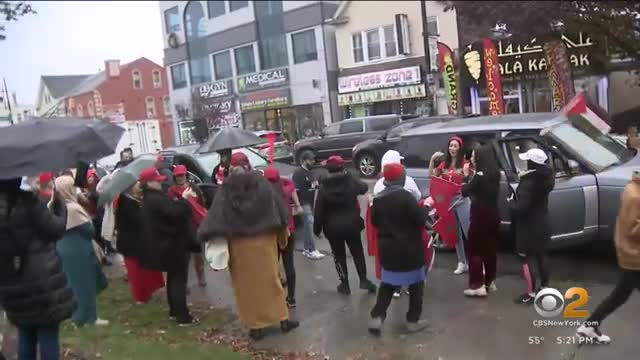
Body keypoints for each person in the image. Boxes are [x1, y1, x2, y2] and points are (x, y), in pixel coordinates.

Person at [198, 152, 299, 341]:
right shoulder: (262, 184)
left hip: (239, 245)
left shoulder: (226, 191)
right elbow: (278, 210)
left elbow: (216, 218)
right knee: (272, 282)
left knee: (246, 288)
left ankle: (256, 327)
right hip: (264, 242)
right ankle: (283, 320)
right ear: (248, 165)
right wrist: (283, 236)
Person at [0, 178, 76, 360]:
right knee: (47, 332)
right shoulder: (29, 202)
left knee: (25, 331)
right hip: (41, 278)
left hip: (9, 279)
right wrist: (60, 206)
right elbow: (55, 229)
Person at [576, 170, 640, 344]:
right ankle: (589, 326)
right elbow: (633, 229)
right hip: (635, 256)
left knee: (620, 294)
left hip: (631, 254)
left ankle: (589, 326)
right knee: (621, 294)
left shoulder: (634, 188)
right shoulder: (635, 196)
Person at [369, 163, 429, 335]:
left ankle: (376, 317)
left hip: (388, 249)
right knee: (417, 285)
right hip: (409, 249)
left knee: (388, 284)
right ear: (401, 178)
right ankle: (412, 320)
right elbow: (420, 219)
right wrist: (426, 206)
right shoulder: (406, 197)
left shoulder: (378, 198)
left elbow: (374, 222)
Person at [138, 167, 200, 326]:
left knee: (173, 279)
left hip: (166, 245)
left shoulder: (150, 198)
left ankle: (174, 311)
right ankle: (183, 317)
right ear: (149, 183)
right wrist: (184, 200)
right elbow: (174, 213)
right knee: (178, 281)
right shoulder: (155, 199)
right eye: (157, 181)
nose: (160, 184)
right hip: (173, 245)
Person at [314, 155, 377, 295]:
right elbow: (364, 187)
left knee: (338, 256)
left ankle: (344, 284)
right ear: (343, 168)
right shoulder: (350, 182)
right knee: (357, 252)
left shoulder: (323, 188)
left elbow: (319, 211)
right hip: (352, 225)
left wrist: (316, 229)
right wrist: (349, 176)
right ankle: (363, 280)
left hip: (333, 228)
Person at [53, 175, 108, 327]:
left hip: (67, 249)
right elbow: (89, 230)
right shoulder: (71, 208)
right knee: (83, 285)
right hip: (77, 251)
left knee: (75, 285)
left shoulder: (58, 206)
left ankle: (82, 317)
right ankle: (86, 318)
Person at [371, 150, 422, 298]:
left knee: (393, 260)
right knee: (409, 259)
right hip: (407, 230)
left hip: (387, 233)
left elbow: (375, 215)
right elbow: (418, 197)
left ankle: (395, 287)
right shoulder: (408, 182)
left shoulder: (379, 185)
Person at [510, 148, 555, 304]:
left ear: (532, 163)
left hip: (529, 227)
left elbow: (521, 207)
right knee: (542, 255)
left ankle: (530, 294)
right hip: (543, 222)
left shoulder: (528, 182)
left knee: (526, 258)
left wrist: (511, 203)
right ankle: (544, 287)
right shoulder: (547, 178)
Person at [461, 144, 501, 297]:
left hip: (480, 215)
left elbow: (464, 191)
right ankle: (490, 282)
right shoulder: (495, 174)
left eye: (473, 156)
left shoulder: (479, 177)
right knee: (490, 249)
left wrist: (465, 176)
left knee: (474, 249)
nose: (471, 159)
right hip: (493, 215)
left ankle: (477, 285)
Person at [116, 182, 165, 304]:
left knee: (143, 270)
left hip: (136, 241)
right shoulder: (126, 203)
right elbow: (138, 220)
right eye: (137, 185)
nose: (140, 187)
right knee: (136, 272)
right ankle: (140, 297)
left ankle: (146, 293)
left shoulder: (131, 201)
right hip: (131, 243)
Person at [429, 136, 472, 275]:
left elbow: (472, 181)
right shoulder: (444, 165)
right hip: (449, 202)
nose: (452, 148)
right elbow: (433, 176)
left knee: (468, 231)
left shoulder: (465, 164)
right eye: (450, 146)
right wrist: (432, 160)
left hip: (462, 200)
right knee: (455, 233)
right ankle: (462, 262)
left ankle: (475, 261)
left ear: (460, 148)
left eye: (455, 146)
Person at [264, 166, 302, 308]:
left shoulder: (264, 195)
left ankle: (276, 299)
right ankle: (291, 298)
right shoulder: (285, 190)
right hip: (288, 231)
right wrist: (282, 178)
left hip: (272, 234)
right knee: (289, 265)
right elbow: (291, 184)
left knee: (273, 267)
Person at [168, 165, 207, 288]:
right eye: (178, 176)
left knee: (198, 255)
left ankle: (201, 277)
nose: (180, 178)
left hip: (195, 225)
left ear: (186, 175)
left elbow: (202, 203)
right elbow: (172, 208)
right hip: (182, 227)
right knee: (184, 258)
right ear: (174, 177)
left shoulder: (194, 187)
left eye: (182, 175)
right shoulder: (171, 191)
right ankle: (184, 284)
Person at [292, 152, 325, 260]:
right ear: (304, 160)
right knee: (309, 225)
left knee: (307, 227)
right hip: (303, 202)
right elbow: (295, 190)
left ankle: (306, 249)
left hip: (310, 202)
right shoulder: (298, 173)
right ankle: (312, 250)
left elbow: (314, 185)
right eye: (310, 160)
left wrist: (317, 185)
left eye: (313, 160)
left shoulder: (311, 172)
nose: (313, 162)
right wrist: (298, 205)